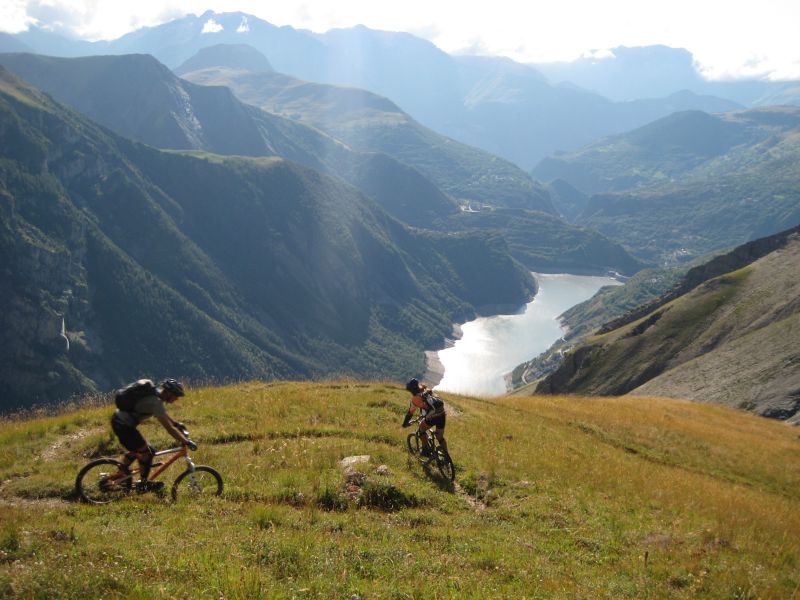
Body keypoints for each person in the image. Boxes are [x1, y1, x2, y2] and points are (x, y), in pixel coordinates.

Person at [110, 378, 195, 491]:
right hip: (124, 426)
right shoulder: (155, 403)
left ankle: (121, 473)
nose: (176, 399)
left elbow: (163, 414)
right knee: (147, 453)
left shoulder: (155, 396)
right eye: (176, 396)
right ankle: (144, 484)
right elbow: (169, 429)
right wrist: (185, 441)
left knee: (143, 449)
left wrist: (176, 423)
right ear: (169, 393)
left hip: (120, 422)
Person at [401, 378, 448, 458]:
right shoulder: (426, 390)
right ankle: (446, 457)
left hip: (433, 416)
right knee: (440, 437)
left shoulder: (415, 399)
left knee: (421, 430)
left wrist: (405, 424)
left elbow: (410, 413)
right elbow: (430, 403)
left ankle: (425, 450)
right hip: (442, 413)